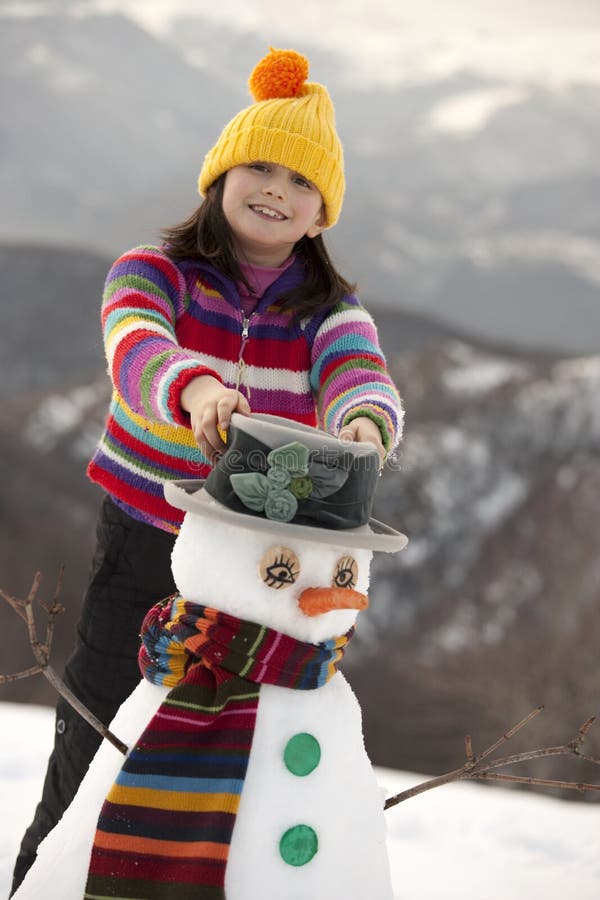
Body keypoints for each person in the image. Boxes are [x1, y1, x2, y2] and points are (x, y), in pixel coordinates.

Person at [11, 46, 403, 894]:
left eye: (302, 181)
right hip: (149, 532)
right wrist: (192, 390)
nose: (277, 189)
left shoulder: (329, 311)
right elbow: (136, 348)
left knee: (246, 732)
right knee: (103, 716)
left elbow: (359, 375)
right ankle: (42, 876)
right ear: (220, 175)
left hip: (255, 562)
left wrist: (366, 424)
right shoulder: (154, 273)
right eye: (260, 165)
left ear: (321, 210)